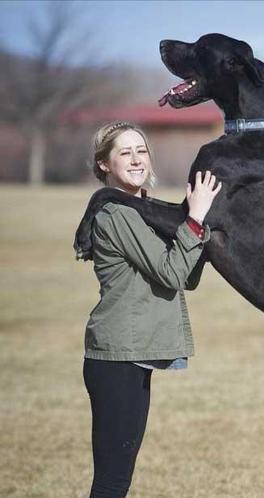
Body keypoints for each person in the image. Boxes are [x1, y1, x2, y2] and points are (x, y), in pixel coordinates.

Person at [80, 121, 221, 498]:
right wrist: (196, 217)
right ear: (105, 165)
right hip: (117, 358)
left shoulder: (142, 210)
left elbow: (184, 276)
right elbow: (173, 272)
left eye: (140, 150)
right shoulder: (118, 215)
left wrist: (194, 228)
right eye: (124, 152)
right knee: (112, 480)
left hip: (131, 355)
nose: (136, 158)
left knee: (118, 478)